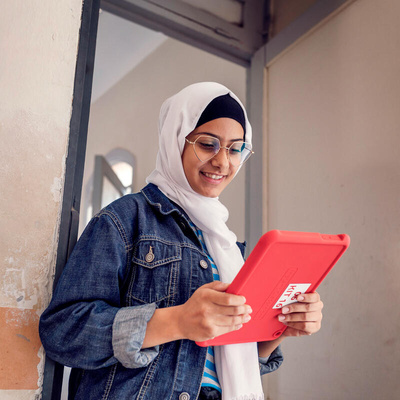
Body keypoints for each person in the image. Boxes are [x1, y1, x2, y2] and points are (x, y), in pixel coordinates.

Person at [39, 82, 323, 400]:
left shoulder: (228, 248)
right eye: (207, 144)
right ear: (176, 139)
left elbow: (223, 364)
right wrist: (176, 321)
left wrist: (279, 329)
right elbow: (63, 331)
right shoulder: (125, 219)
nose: (223, 162)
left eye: (235, 148)